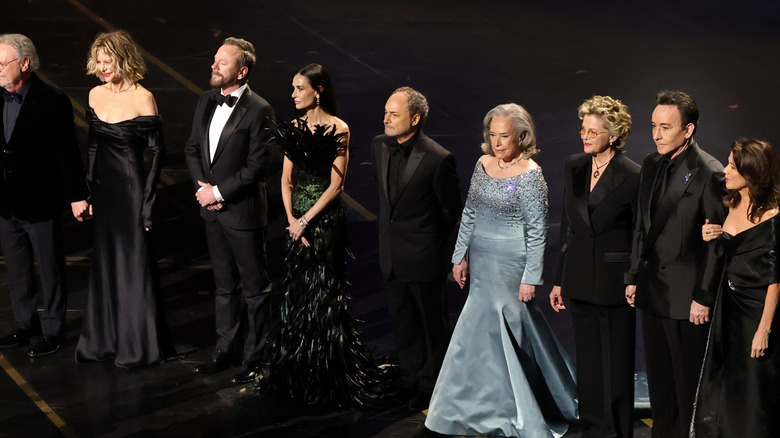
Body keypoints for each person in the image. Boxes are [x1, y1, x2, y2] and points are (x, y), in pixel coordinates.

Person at [426, 103, 577, 436]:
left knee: (513, 329)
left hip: (511, 263)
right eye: (492, 135)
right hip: (481, 259)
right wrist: (459, 255)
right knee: (476, 330)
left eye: (504, 136)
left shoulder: (530, 175)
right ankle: (470, 404)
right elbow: (470, 212)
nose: (496, 143)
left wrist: (531, 278)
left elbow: (538, 230)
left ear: (522, 136)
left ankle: (518, 404)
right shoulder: (483, 164)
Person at [260, 63, 390, 408]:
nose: (293, 95)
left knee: (325, 289)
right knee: (298, 291)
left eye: (299, 88)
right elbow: (286, 179)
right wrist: (291, 218)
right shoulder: (293, 126)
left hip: (324, 221)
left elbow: (337, 184)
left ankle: (328, 371)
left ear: (317, 91)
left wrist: (306, 220)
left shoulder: (339, 128)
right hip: (295, 222)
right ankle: (297, 369)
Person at [624, 90, 727, 438]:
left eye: (665, 127)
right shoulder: (651, 164)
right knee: (661, 387)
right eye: (653, 126)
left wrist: (704, 296)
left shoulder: (709, 171)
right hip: (652, 292)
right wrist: (633, 274)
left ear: (688, 130)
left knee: (688, 390)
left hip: (687, 301)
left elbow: (716, 245)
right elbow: (641, 225)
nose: (656, 134)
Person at [74, 30, 174, 368]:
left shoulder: (143, 98)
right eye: (99, 62)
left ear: (124, 59)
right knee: (105, 262)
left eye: (108, 62)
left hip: (131, 191)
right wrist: (87, 192)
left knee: (133, 264)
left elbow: (158, 154)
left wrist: (147, 205)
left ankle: (136, 345)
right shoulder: (95, 94)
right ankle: (104, 341)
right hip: (104, 191)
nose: (102, 68)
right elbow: (92, 147)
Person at [184, 37, 276, 383]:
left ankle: (257, 357)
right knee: (224, 286)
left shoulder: (259, 109)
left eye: (222, 62)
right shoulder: (206, 100)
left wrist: (219, 192)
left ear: (242, 70)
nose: (213, 65)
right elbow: (192, 149)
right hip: (213, 210)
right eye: (214, 59)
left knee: (255, 289)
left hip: (242, 213)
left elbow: (256, 167)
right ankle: (226, 349)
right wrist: (203, 191)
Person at [549, 95, 639, 438]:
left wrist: (633, 277)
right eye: (583, 129)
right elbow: (568, 225)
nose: (585, 136)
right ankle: (591, 422)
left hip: (614, 280)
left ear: (613, 135)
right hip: (579, 276)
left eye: (593, 131)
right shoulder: (574, 165)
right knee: (587, 358)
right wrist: (559, 279)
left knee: (615, 360)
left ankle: (615, 429)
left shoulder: (632, 175)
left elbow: (638, 233)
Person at [370, 87, 462, 410]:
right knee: (403, 323)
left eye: (394, 114)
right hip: (391, 256)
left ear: (416, 118)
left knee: (431, 327)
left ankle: (432, 387)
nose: (386, 119)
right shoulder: (379, 146)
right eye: (386, 112)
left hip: (423, 258)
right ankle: (409, 380)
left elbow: (451, 211)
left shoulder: (438, 158)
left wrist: (428, 242)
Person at [0, 33, 89, 357]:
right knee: (17, 267)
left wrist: (77, 195)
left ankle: (53, 330)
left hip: (39, 200)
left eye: (2, 62)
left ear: (24, 63)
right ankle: (25, 324)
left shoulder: (51, 99)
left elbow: (67, 153)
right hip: (5, 201)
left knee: (49, 268)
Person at [693, 138, 780, 437]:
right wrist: (711, 235)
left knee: (757, 389)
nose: (725, 170)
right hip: (728, 308)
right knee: (728, 383)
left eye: (732, 165)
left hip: (757, 313)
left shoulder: (772, 217)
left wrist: (764, 329)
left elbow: (775, 279)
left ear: (751, 171)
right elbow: (726, 252)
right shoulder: (731, 202)